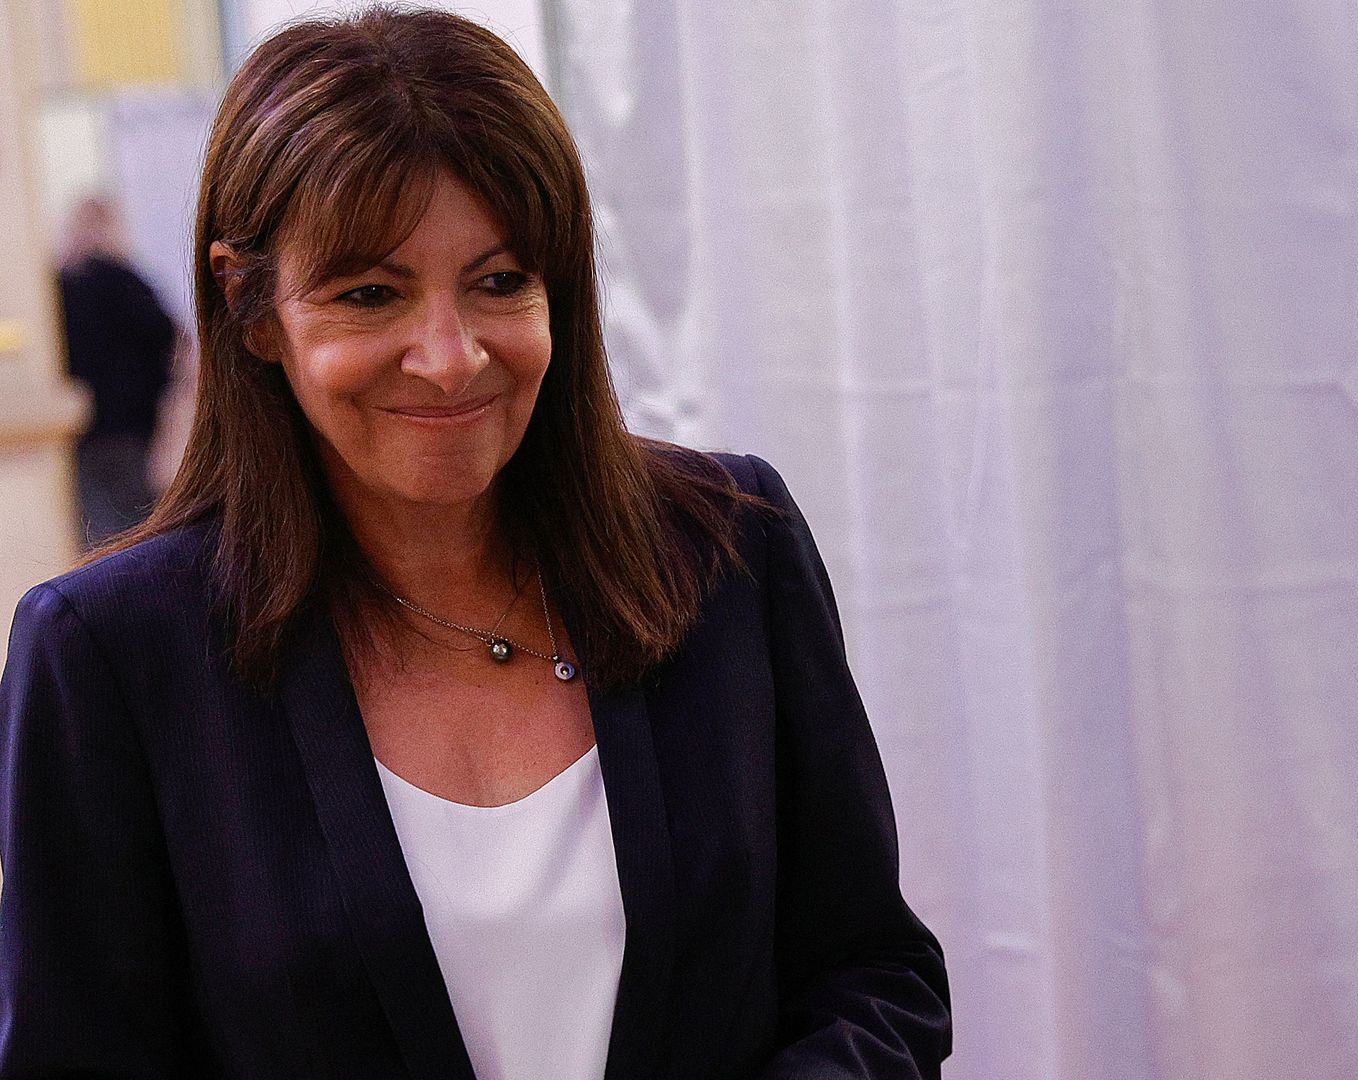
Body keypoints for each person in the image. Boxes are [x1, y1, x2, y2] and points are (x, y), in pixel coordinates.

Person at [0, 8, 950, 1079]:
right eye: (370, 293)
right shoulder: (111, 656)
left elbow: (873, 978)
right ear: (251, 305)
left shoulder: (725, 549)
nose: (450, 359)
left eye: (500, 282)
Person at [56, 196, 177, 546]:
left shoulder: (60, 288)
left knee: (94, 532)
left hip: (83, 429)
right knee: (138, 530)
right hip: (131, 429)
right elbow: (168, 342)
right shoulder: (131, 283)